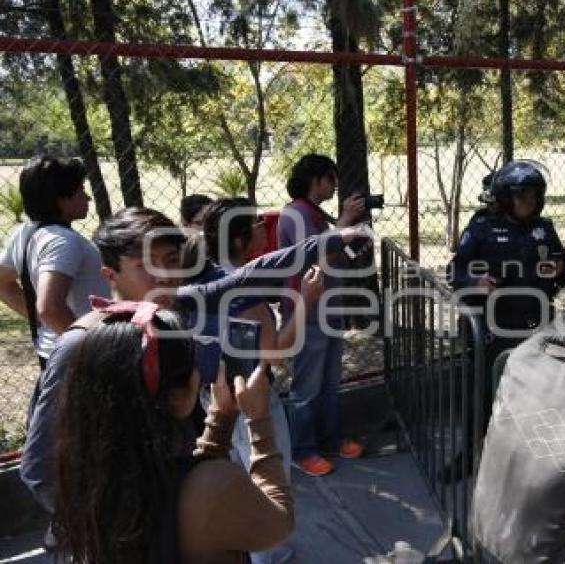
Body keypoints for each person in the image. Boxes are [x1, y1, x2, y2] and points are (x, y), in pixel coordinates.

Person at [20, 207, 362, 544]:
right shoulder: (82, 346)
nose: (164, 275)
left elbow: (250, 276)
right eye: (146, 265)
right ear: (111, 276)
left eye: (170, 260)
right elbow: (38, 468)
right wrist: (105, 532)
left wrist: (328, 241)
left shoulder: (175, 308)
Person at [51, 301, 294, 563]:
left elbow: (179, 482)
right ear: (178, 397)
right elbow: (279, 522)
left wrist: (221, 419)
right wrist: (259, 420)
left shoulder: (87, 475)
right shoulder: (214, 487)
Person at [187, 198, 324, 564]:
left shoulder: (203, 278)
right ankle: (269, 552)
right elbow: (276, 352)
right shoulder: (244, 294)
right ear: (238, 240)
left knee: (232, 466)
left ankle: (241, 542)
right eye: (256, 224)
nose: (266, 227)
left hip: (213, 396)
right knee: (264, 467)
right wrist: (307, 299)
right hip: (252, 398)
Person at [442, 160, 565, 481]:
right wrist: (476, 283)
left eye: (534, 196)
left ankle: (528, 454)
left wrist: (560, 268)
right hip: (492, 328)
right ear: (504, 198)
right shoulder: (481, 229)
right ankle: (470, 453)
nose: (530, 202)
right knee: (482, 393)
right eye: (523, 195)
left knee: (536, 391)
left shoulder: (545, 228)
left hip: (536, 324)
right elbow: (454, 272)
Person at [277, 153, 366, 477]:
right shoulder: (296, 215)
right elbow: (312, 253)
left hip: (329, 309)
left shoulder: (314, 214)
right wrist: (344, 222)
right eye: (331, 179)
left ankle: (329, 440)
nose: (335, 186)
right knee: (307, 387)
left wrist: (352, 239)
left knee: (329, 383)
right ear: (316, 180)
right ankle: (303, 450)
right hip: (309, 313)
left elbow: (331, 256)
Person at [0, 156, 109, 374]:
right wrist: (89, 348)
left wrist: (42, 322)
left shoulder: (26, 232)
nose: (87, 197)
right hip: (77, 359)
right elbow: (50, 307)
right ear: (61, 199)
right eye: (80, 189)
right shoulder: (62, 241)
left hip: (55, 353)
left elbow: (3, 283)